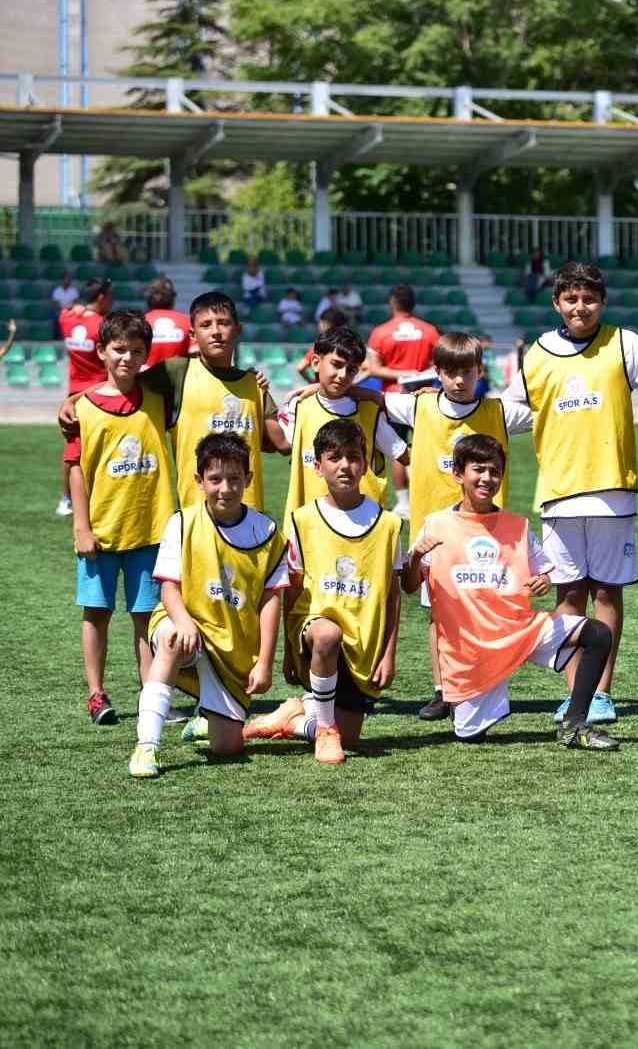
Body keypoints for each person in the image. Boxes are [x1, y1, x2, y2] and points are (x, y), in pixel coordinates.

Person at [498, 262, 638, 727]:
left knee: (605, 590)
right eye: (571, 299)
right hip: (558, 491)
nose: (580, 307)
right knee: (568, 593)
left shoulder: (624, 343)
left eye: (589, 299)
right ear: (556, 303)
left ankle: (600, 693)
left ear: (602, 302)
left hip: (612, 489)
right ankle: (575, 694)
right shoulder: (538, 353)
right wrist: (458, 412)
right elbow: (512, 410)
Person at [402, 434, 620, 750]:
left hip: (520, 629)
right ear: (458, 474)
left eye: (494, 471)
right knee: (471, 737)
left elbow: (543, 572)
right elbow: (409, 586)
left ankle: (575, 724)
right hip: (472, 650)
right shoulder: (436, 524)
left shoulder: (517, 525)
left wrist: (543, 581)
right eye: (478, 470)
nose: (487, 478)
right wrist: (416, 559)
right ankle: (462, 704)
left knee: (597, 634)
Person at [384, 331, 533, 721]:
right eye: (451, 372)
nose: (459, 380)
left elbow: (550, 409)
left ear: (480, 371)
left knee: (485, 608)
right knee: (440, 613)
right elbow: (369, 400)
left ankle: (482, 684)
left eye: (467, 372)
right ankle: (443, 690)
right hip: (436, 535)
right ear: (437, 372)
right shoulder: (418, 406)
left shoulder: (501, 412)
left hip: (486, 533)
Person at [127, 432, 290, 777]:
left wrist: (264, 662)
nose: (225, 488)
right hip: (185, 622)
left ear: (249, 478)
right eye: (215, 479)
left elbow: (270, 601)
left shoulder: (267, 533)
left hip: (232, 649)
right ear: (199, 480)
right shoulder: (182, 522)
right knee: (172, 639)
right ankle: (147, 745)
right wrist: (184, 622)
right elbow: (169, 588)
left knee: (227, 748)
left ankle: (207, 718)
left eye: (234, 478)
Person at [246, 419, 404, 763]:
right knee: (327, 633)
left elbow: (393, 595)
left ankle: (296, 719)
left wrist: (389, 653)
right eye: (334, 457)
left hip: (363, 638)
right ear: (318, 466)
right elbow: (293, 588)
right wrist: (290, 651)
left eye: (353, 457)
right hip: (315, 629)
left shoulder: (389, 524)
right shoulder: (302, 520)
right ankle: (326, 729)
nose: (345, 465)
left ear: (365, 464)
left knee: (352, 739)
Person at [58, 291, 291, 512]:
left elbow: (280, 443)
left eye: (223, 323)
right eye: (206, 325)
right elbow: (123, 382)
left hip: (249, 512)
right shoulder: (177, 372)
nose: (215, 331)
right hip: (196, 512)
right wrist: (73, 400)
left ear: (238, 329)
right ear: (193, 335)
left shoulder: (254, 384)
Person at [65, 311, 175, 728]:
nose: (127, 357)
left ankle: (152, 695)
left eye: (137, 351)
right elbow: (76, 469)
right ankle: (96, 693)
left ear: (147, 355)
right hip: (102, 532)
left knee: (146, 616)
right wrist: (81, 527)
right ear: (101, 351)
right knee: (97, 612)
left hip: (152, 529)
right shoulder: (82, 409)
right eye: (119, 349)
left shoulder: (158, 400)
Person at [278, 325, 409, 522]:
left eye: (351, 370)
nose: (343, 375)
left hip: (362, 525)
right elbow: (278, 444)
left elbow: (404, 455)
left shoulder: (369, 413)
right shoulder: (297, 406)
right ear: (316, 362)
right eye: (337, 365)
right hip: (310, 526)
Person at [363, 284, 442, 519]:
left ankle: (404, 503)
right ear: (413, 304)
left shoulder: (381, 332)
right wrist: (416, 373)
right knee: (424, 447)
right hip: (423, 396)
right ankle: (427, 497)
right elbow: (440, 363)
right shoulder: (429, 331)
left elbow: (374, 369)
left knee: (398, 448)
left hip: (393, 398)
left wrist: (401, 374)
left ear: (392, 303)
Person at [56, 278, 116, 517]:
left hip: (73, 393)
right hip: (98, 392)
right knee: (104, 447)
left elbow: (66, 309)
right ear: (101, 297)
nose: (112, 300)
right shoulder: (102, 325)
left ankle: (66, 500)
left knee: (73, 449)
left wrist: (75, 308)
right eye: (110, 296)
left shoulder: (66, 318)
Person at [143, 276, 192, 367]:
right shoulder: (188, 322)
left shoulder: (138, 323)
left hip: (143, 375)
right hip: (180, 375)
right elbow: (195, 352)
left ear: (147, 298)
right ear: (173, 298)